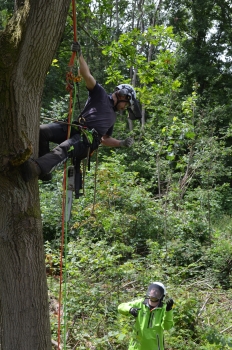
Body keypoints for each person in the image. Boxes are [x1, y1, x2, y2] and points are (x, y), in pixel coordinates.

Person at [21, 41, 141, 182]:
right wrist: (80, 55)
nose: (124, 108)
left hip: (86, 141)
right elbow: (87, 75)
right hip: (76, 127)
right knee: (43, 131)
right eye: (126, 104)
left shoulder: (112, 118)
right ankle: (44, 169)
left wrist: (120, 143)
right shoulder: (100, 94)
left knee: (65, 148)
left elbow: (104, 139)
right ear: (122, 95)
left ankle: (35, 168)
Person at [118, 282, 174, 350]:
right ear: (149, 291)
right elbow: (121, 307)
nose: (154, 292)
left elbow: (167, 326)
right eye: (153, 289)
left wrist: (168, 311)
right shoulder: (140, 303)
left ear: (162, 295)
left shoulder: (164, 308)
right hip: (136, 346)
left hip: (154, 347)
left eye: (157, 291)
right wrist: (130, 309)